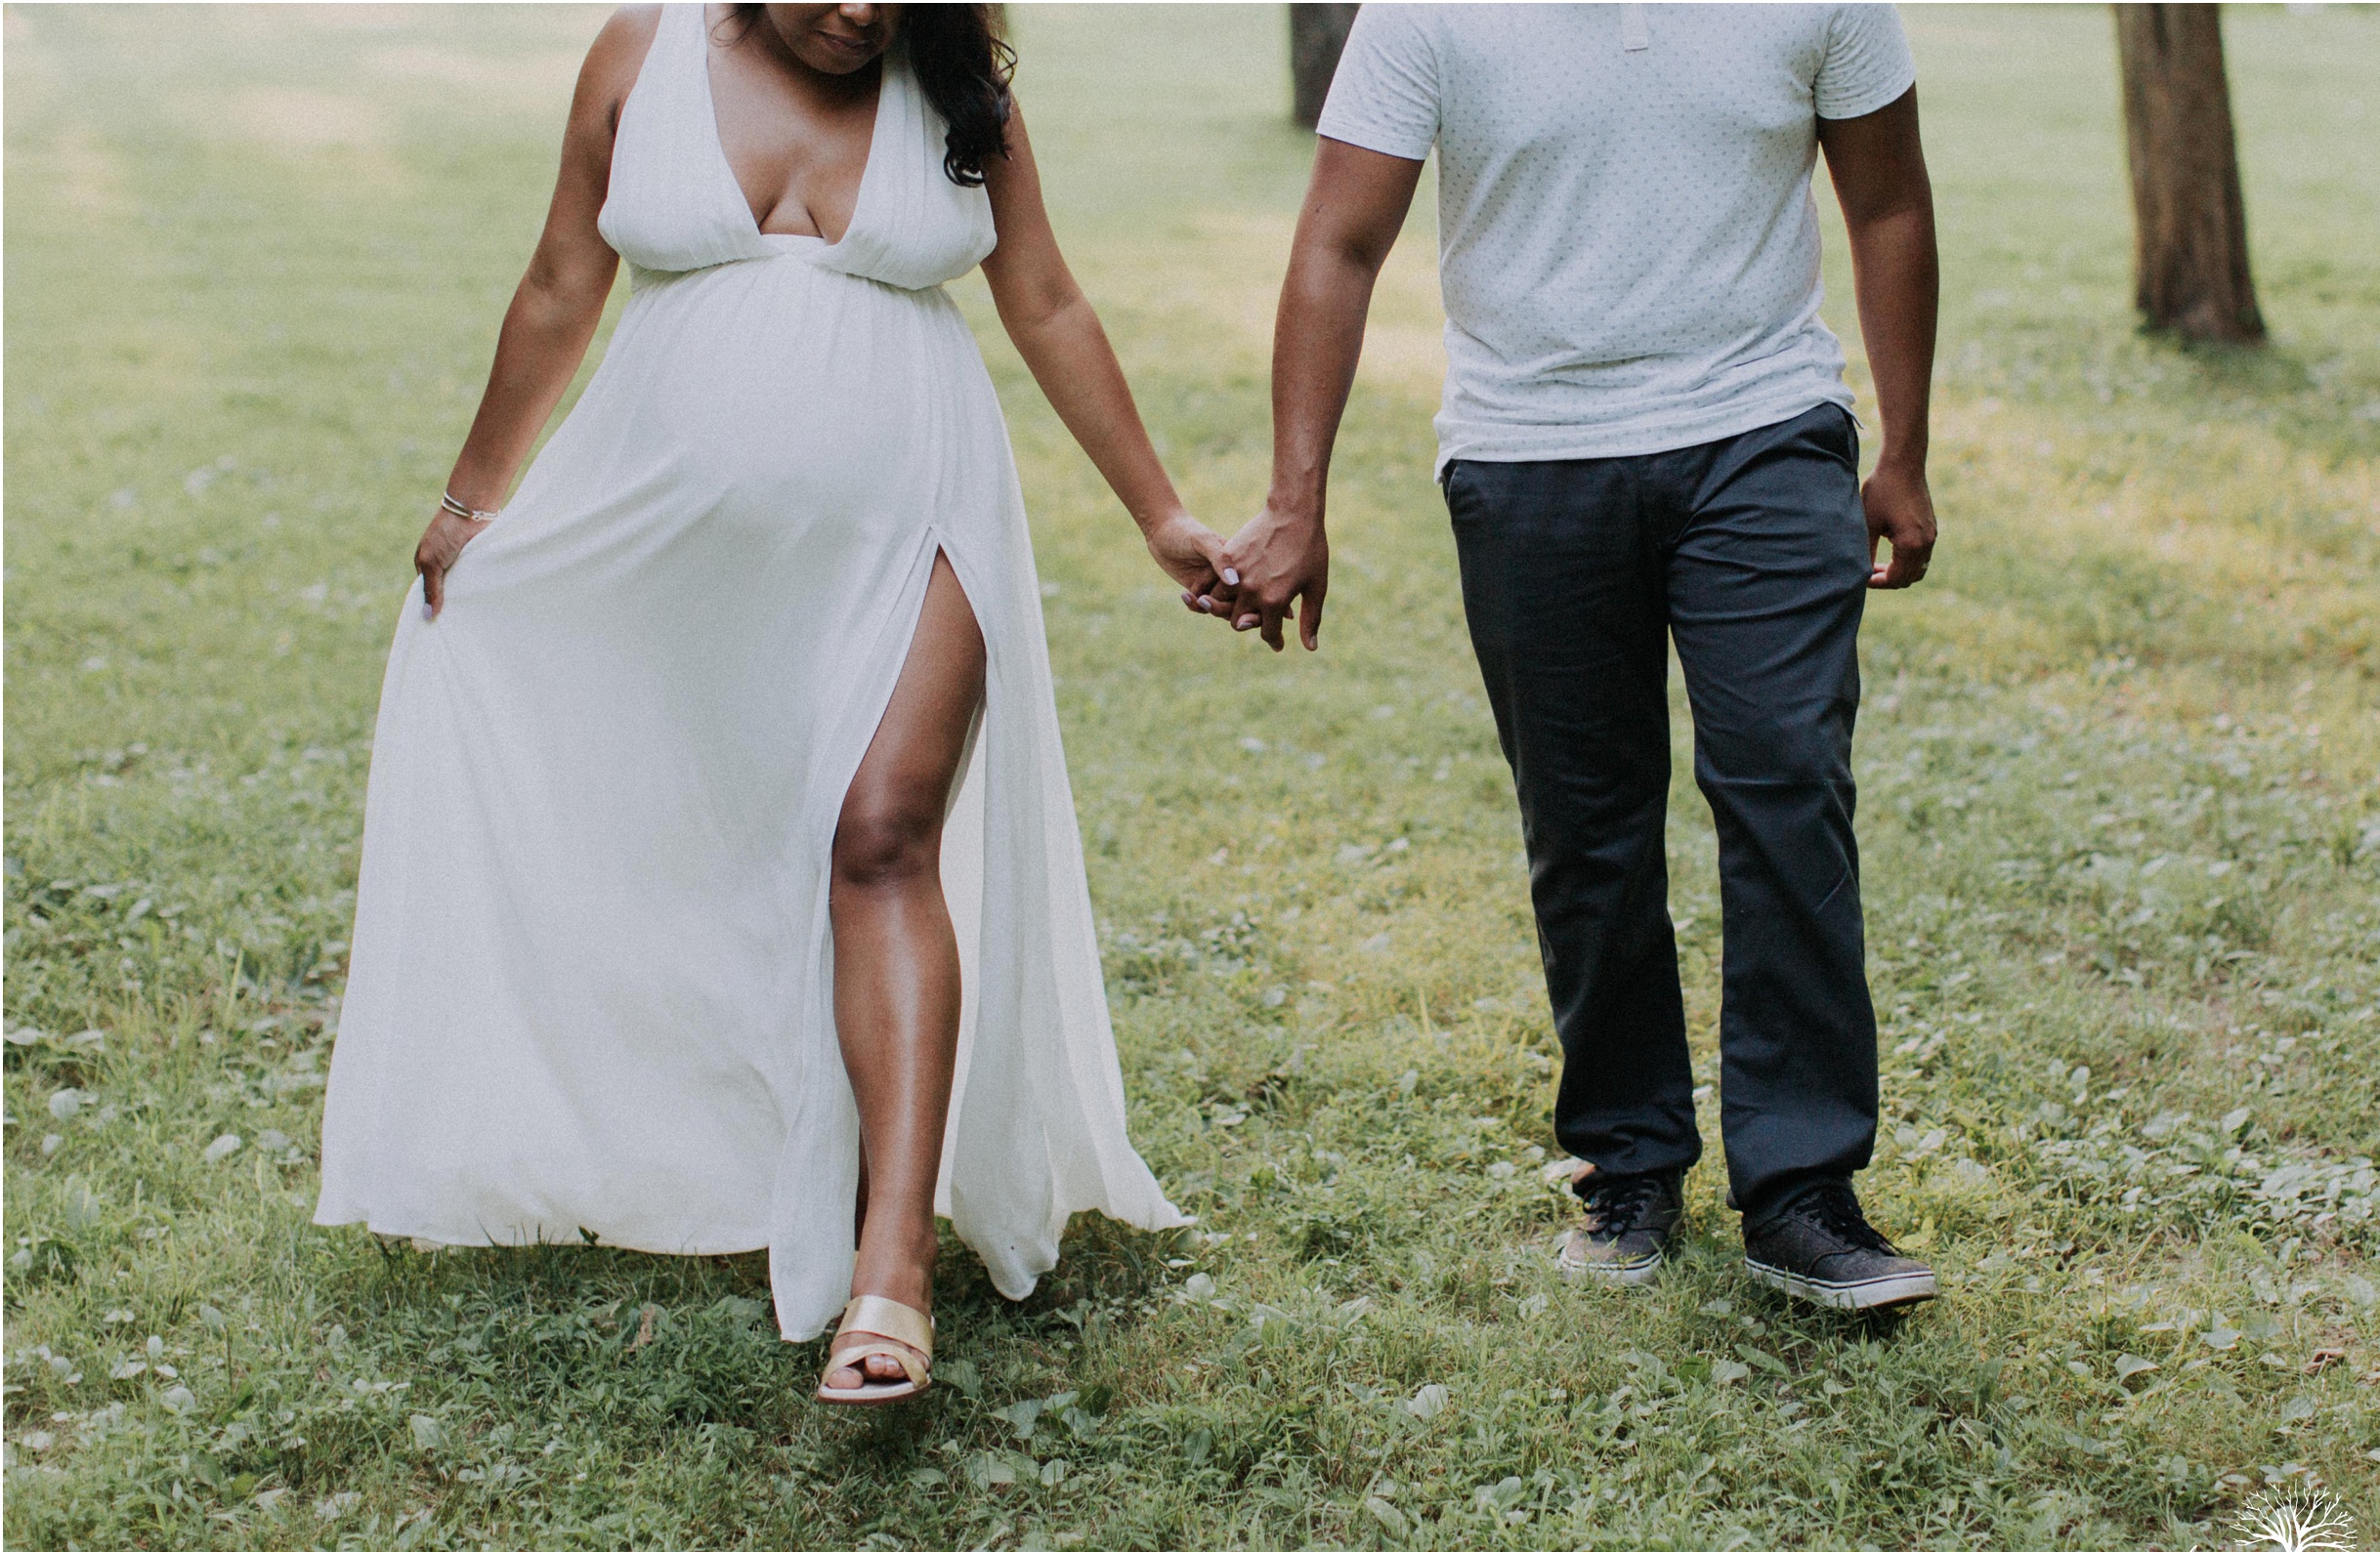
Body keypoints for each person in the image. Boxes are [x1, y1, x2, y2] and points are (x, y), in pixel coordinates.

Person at [315, 3, 1226, 1405]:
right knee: (713, 850)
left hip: (919, 511)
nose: (864, 11)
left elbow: (1041, 296)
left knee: (882, 835)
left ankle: (893, 1271)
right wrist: (470, 499)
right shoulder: (643, 57)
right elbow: (565, 279)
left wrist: (1161, 518)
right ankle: (724, 1132)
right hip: (680, 552)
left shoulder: (952, 84)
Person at [1214, 4, 1942, 1309]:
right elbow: (1339, 241)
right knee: (1588, 821)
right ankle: (1631, 1163)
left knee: (1787, 779)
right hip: (1529, 451)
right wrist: (1295, 499)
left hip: (1762, 429)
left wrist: (1902, 445)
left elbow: (1887, 199)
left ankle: (1803, 1192)